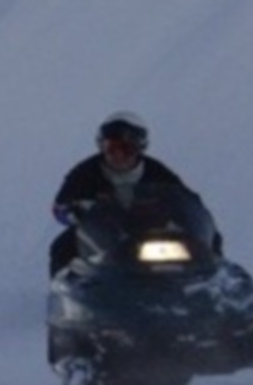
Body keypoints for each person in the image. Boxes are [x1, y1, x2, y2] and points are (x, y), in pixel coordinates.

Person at [48, 111, 219, 277]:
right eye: (112, 148)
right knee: (62, 247)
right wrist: (77, 212)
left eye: (127, 149)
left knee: (211, 242)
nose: (119, 155)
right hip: (104, 236)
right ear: (102, 147)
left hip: (150, 232)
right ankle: (67, 293)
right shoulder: (85, 173)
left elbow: (185, 200)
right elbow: (61, 206)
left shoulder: (157, 173)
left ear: (140, 148)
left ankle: (214, 280)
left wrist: (192, 217)